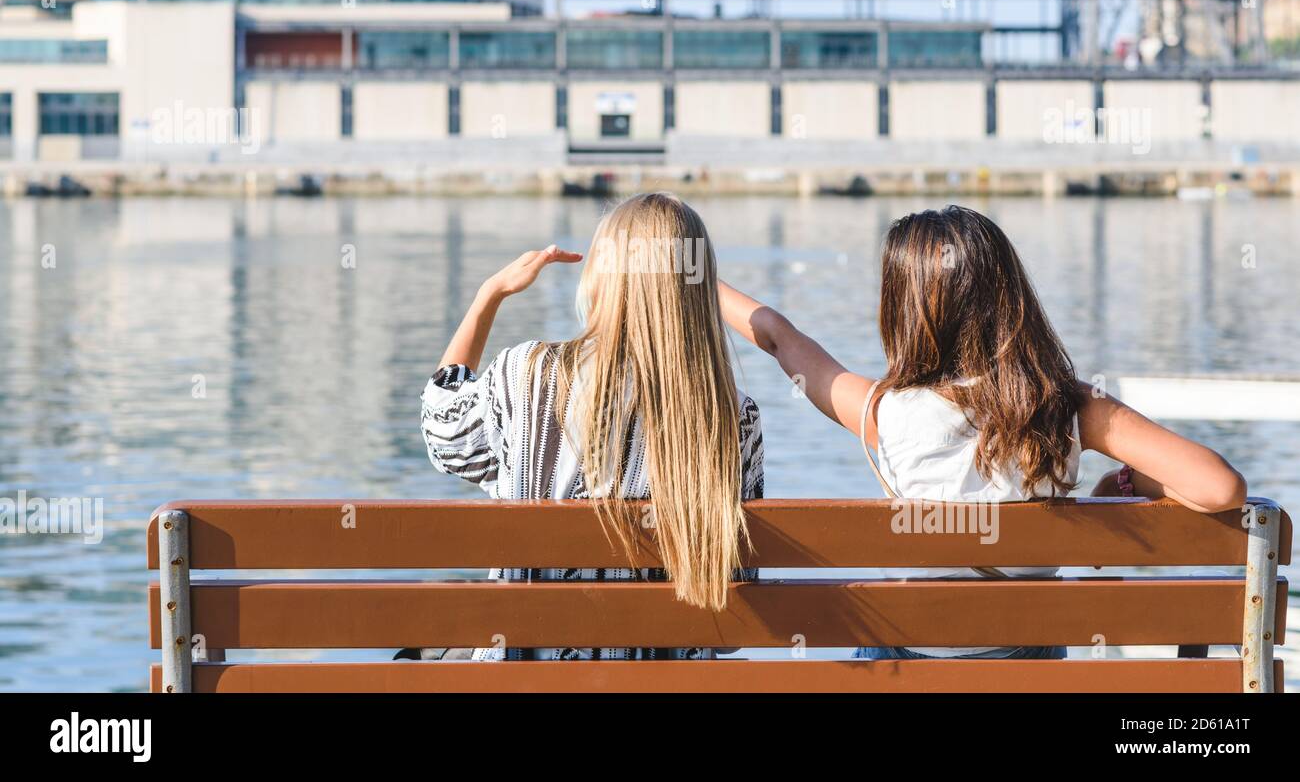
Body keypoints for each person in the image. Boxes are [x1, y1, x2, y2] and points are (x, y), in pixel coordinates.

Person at [719, 204, 1246, 660]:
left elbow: (778, 339)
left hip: (906, 663)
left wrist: (689, 278)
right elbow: (1220, 489)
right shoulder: (1068, 406)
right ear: (1009, 297)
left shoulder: (882, 412)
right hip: (1026, 666)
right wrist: (1121, 490)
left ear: (902, 309)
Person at [419, 192, 764, 661]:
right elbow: (736, 617)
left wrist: (489, 295)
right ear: (697, 286)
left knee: (433, 642)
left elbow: (445, 439)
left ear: (605, 276)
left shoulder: (526, 374)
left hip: (522, 682)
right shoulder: (732, 417)